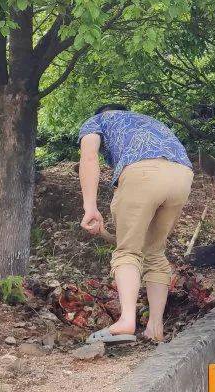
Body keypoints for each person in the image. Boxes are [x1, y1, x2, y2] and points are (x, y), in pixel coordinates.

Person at [78, 104, 193, 344]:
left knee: (127, 251)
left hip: (143, 171)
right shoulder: (145, 120)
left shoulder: (97, 120)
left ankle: (127, 320)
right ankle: (155, 328)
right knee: (154, 253)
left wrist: (90, 207)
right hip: (182, 174)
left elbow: (89, 158)